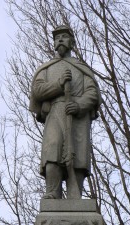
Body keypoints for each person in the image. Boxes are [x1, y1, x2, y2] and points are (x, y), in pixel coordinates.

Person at [29, 25, 101, 199]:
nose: (60, 40)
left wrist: (79, 105)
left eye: (64, 36)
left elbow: (93, 93)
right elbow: (37, 90)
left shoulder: (81, 68)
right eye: (57, 37)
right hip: (55, 112)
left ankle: (75, 196)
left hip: (77, 116)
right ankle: (52, 191)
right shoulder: (46, 69)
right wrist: (59, 85)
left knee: (77, 154)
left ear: (72, 42)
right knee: (52, 150)